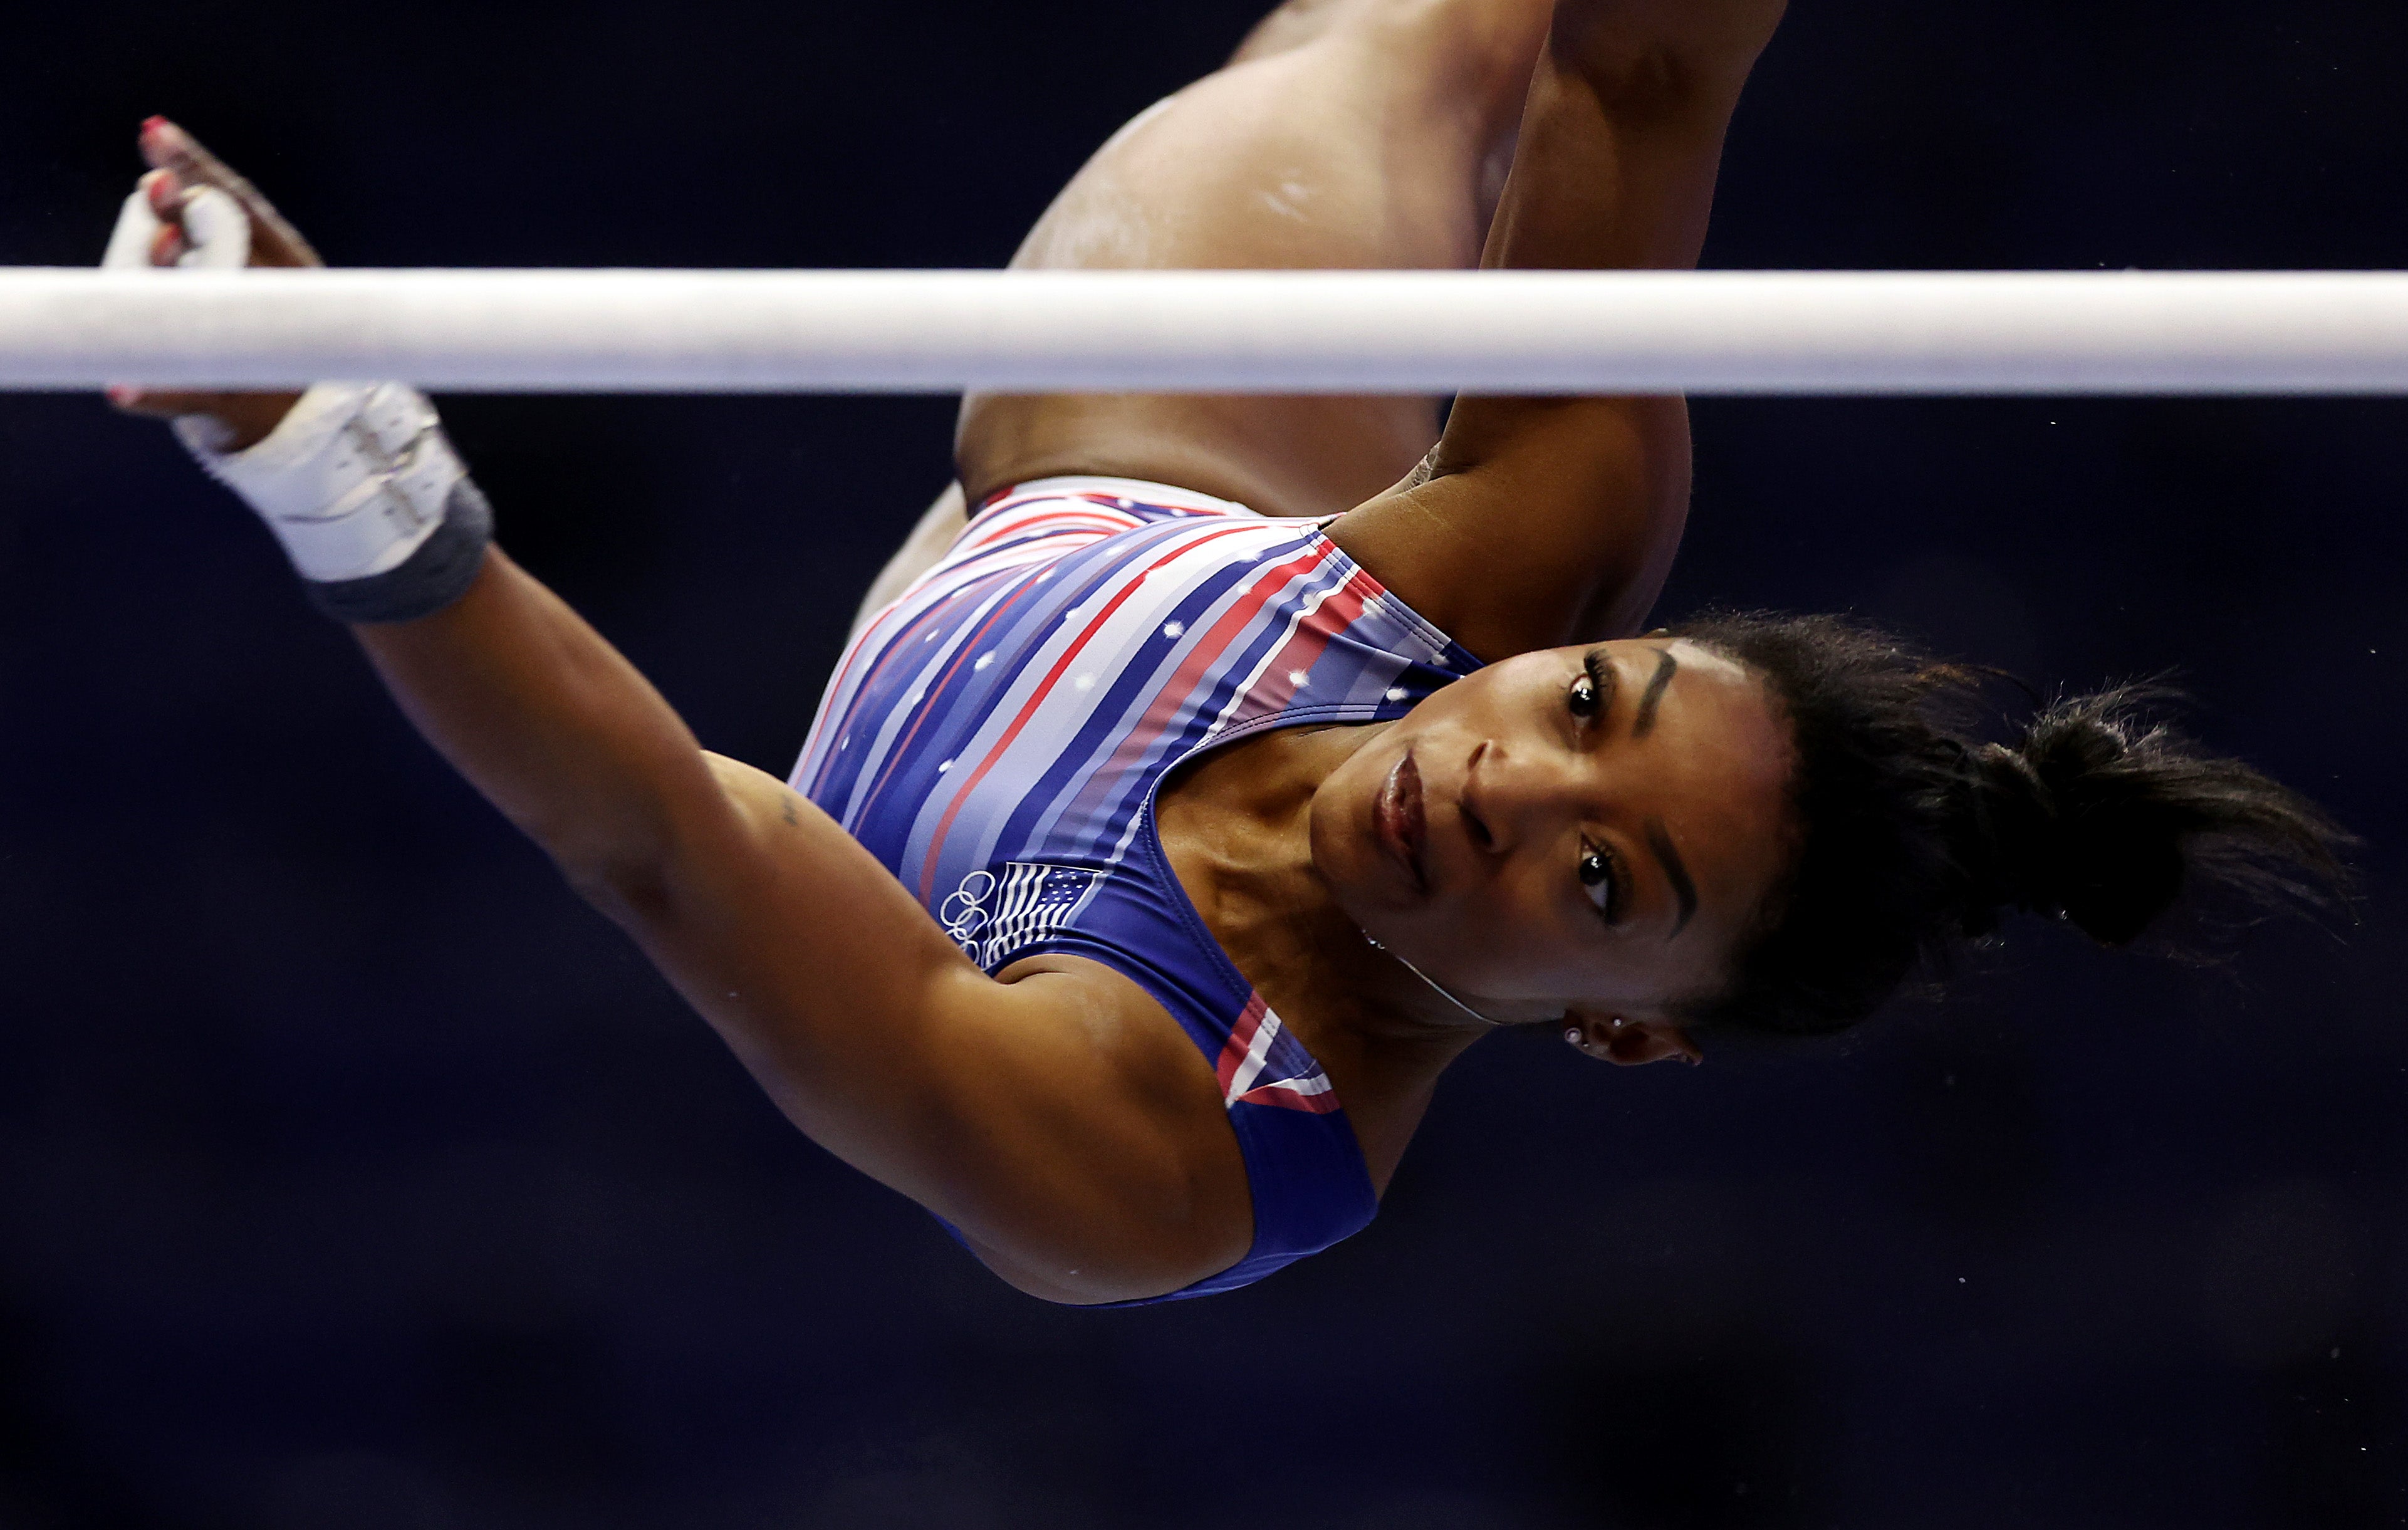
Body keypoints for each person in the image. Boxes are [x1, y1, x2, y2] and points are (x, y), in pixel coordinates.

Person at [102, 0, 2345, 1306]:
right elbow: (1645, 73)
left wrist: (327, 445)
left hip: (936, 784)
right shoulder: (1504, 573)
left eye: (1599, 888)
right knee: (1426, 27)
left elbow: (667, 841)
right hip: (1139, 508)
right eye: (1588, 706)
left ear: (1630, 1042)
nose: (1512, 784)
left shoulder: (1159, 1148)